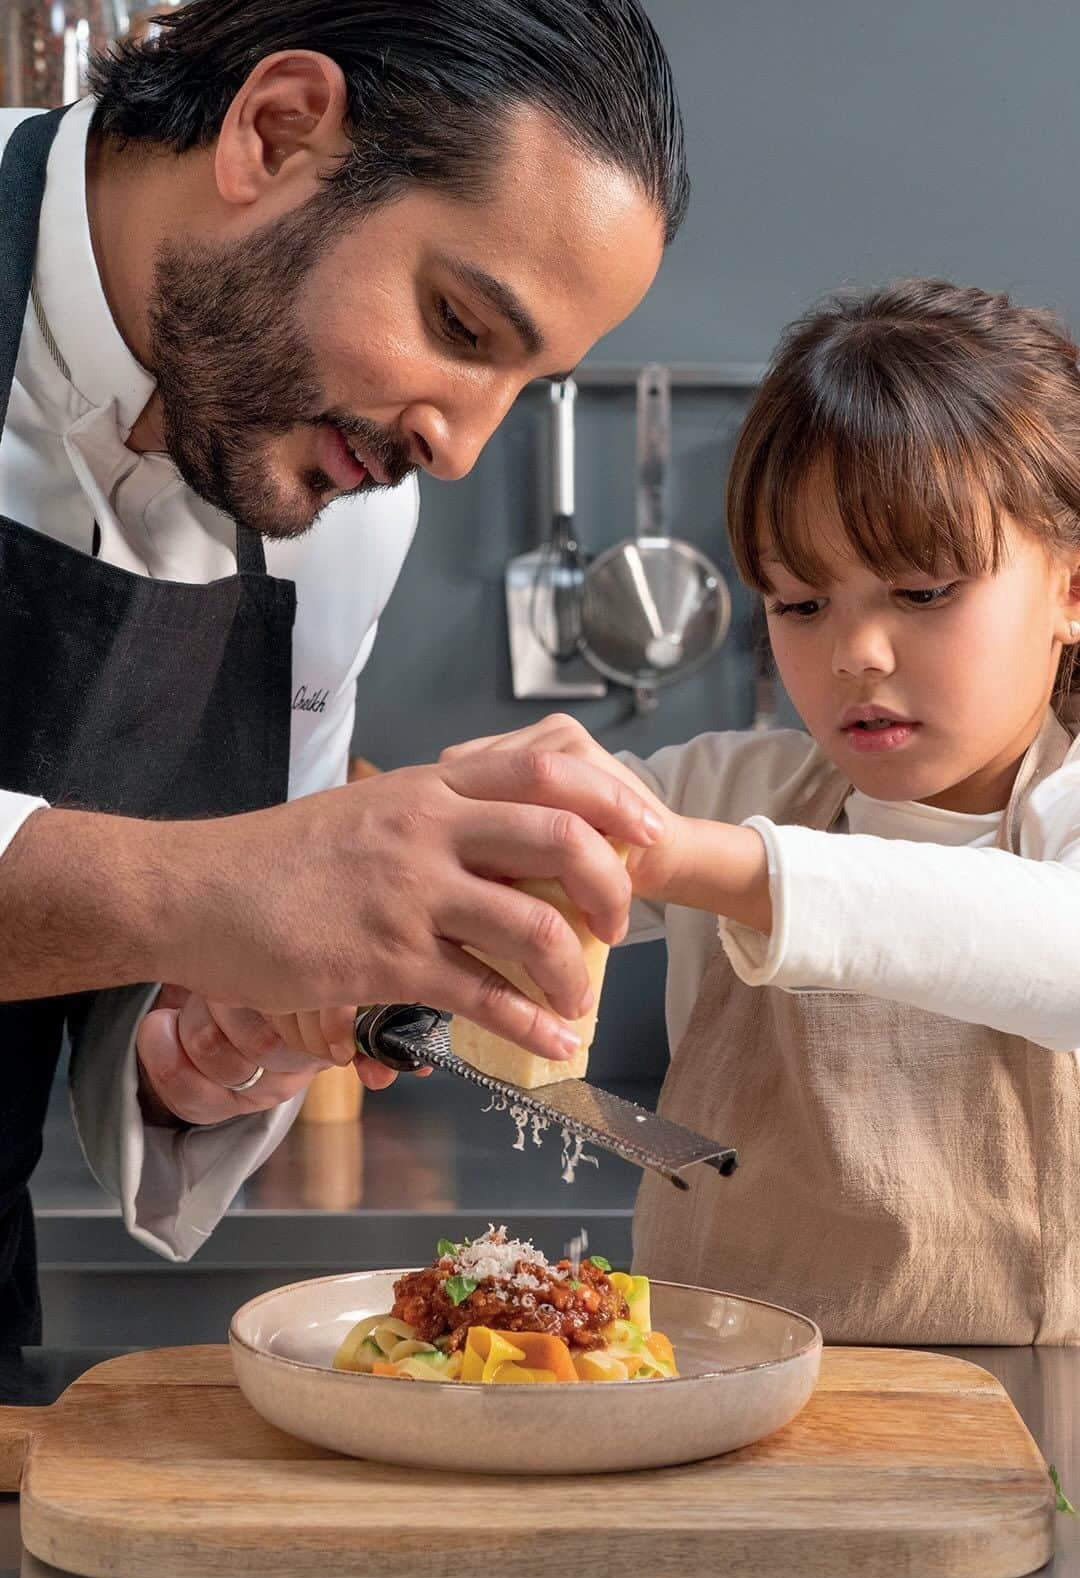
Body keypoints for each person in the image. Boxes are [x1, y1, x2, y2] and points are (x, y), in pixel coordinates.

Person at [0, 0, 688, 1343]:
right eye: (457, 321)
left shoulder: (345, 502)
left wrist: (222, 1044)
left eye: (523, 386)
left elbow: (203, 968)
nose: (462, 448)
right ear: (276, 131)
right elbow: (207, 883)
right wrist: (207, 889)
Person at [448, 279, 1080, 1344]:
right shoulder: (725, 795)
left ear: (1070, 586)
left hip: (1031, 1439)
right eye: (800, 602)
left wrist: (704, 864)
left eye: (923, 592)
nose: (855, 655)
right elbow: (469, 878)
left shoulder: (717, 834)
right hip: (718, 1416)